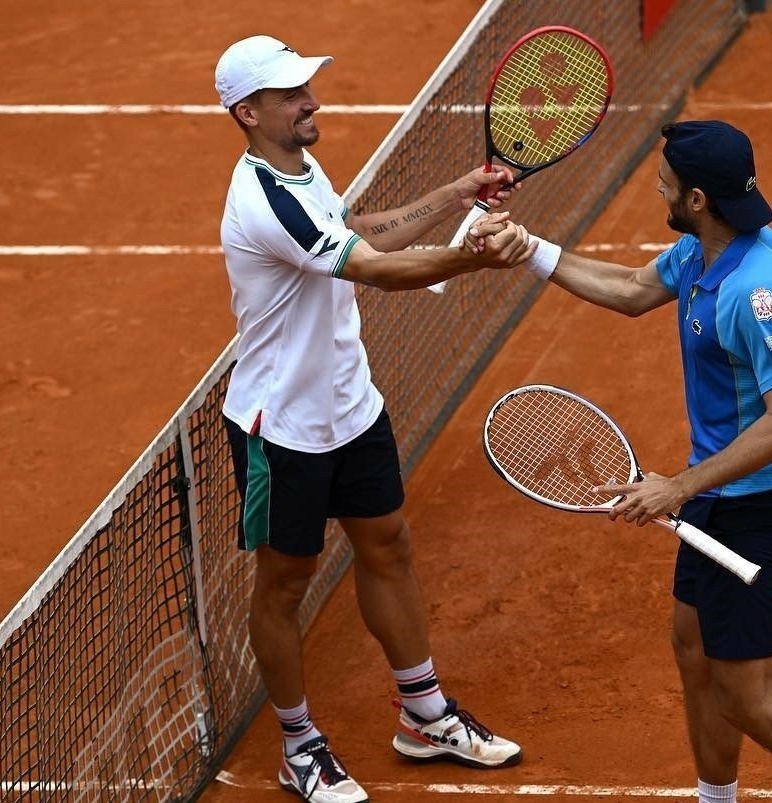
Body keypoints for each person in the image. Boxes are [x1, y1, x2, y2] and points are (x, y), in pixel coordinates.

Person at [511, 121, 772, 803]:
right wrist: (531, 251)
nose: (655, 190)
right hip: (717, 499)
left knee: (749, 697)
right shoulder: (705, 250)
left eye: (663, 183)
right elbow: (632, 289)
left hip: (756, 508)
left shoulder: (757, 294)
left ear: (696, 198)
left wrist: (678, 487)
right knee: (693, 649)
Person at [213, 34, 543, 803]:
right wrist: (474, 258)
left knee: (388, 544)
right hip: (281, 428)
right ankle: (300, 747)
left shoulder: (299, 166)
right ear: (247, 112)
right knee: (284, 583)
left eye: (307, 86)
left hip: (351, 405)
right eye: (292, 93)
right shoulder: (262, 201)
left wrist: (458, 193)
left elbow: (356, 230)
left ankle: (423, 713)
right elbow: (372, 269)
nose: (311, 100)